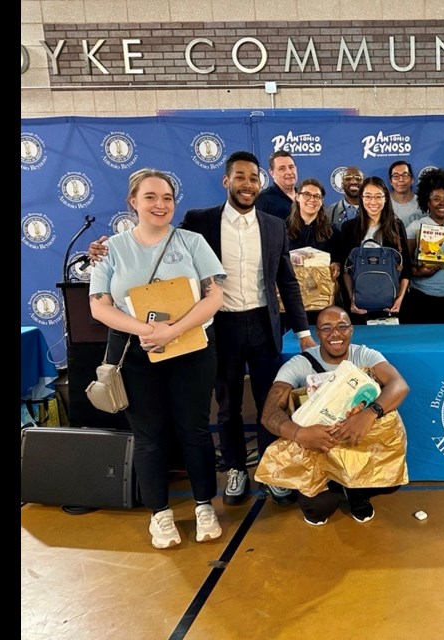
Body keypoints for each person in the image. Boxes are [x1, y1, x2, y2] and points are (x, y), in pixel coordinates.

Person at [88, 168, 226, 549]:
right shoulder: (110, 249)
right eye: (150, 197)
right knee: (148, 436)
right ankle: (160, 514)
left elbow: (213, 297)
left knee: (195, 431)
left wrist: (172, 331)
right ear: (133, 202)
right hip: (135, 354)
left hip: (191, 350)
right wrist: (146, 331)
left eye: (166, 197)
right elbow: (100, 306)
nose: (159, 204)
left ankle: (203, 506)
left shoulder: (193, 242)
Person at [181, 151, 315, 508]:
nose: (247, 184)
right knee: (227, 406)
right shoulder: (198, 221)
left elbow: (287, 282)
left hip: (262, 325)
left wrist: (303, 332)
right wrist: (108, 250)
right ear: (226, 181)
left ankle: (272, 470)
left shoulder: (273, 225)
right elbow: (164, 252)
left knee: (270, 404)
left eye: (253, 178)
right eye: (240, 177)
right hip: (218, 326)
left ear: (261, 183)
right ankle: (237, 468)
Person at [260, 306, 410, 525]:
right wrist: (300, 433)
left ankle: (357, 491)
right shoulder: (300, 364)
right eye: (327, 328)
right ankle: (340, 487)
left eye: (342, 327)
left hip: (356, 446)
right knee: (319, 509)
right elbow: (269, 413)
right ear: (318, 334)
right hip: (318, 451)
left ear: (351, 330)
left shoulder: (364, 355)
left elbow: (400, 385)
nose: (335, 334)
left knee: (389, 476)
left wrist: (369, 414)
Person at [334, 176, 413, 324]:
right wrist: (352, 300)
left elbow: (406, 268)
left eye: (378, 197)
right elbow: (346, 270)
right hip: (359, 308)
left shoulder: (396, 226)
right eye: (368, 196)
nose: (373, 202)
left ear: (385, 198)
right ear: (361, 198)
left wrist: (400, 299)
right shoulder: (349, 228)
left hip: (391, 307)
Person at [403, 167, 444, 324]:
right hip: (421, 298)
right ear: (427, 202)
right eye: (436, 198)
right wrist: (418, 272)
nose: (442, 203)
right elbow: (404, 263)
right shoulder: (415, 227)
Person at [288, 178, 342, 327]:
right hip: (292, 302)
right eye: (307, 195)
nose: (312, 200)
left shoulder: (332, 231)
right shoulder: (282, 229)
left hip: (322, 302)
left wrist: (336, 266)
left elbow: (339, 260)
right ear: (297, 197)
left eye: (317, 196)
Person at [255, 150, 298, 221]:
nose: (289, 172)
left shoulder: (305, 196)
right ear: (272, 173)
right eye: (282, 169)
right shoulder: (263, 199)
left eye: (291, 167)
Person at [388, 160, 420, 226]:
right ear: (390, 181)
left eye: (405, 175)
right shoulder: (384, 202)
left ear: (412, 180)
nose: (401, 179)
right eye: (396, 176)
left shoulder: (422, 202)